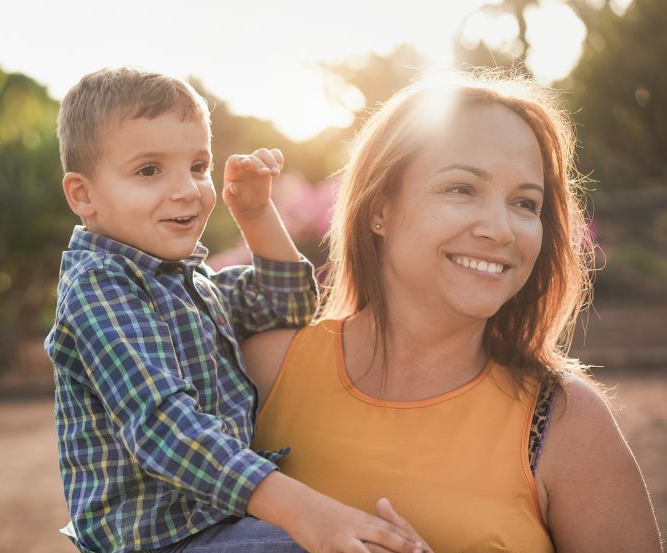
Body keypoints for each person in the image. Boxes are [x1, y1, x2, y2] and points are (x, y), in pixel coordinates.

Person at [244, 71, 664, 553]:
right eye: (462, 189)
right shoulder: (264, 371)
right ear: (378, 207)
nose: (501, 229)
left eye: (525, 203)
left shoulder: (568, 424)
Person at [44, 67, 427, 553]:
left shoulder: (189, 280)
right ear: (83, 194)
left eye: (198, 166)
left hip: (218, 520)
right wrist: (305, 510)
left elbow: (287, 304)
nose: (187, 189)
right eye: (149, 170)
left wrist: (256, 213)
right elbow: (166, 429)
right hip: (158, 536)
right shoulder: (100, 285)